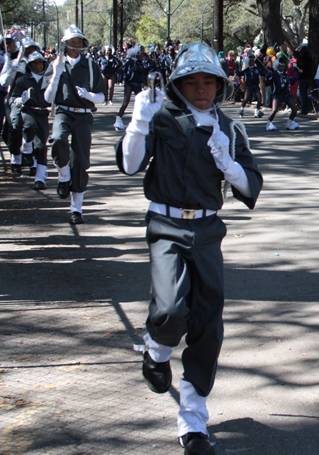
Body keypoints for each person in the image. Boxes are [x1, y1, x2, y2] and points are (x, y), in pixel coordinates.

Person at [117, 43, 262, 455]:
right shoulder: (160, 117)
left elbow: (251, 186)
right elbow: (129, 166)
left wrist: (228, 164)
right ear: (177, 85)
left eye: (209, 81)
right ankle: (157, 348)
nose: (201, 89)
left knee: (207, 323)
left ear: (220, 84)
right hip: (164, 225)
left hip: (207, 229)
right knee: (169, 309)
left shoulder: (230, 129)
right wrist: (138, 124)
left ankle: (193, 422)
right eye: (192, 82)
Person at [43, 25, 107, 224]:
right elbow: (47, 98)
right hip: (63, 112)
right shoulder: (56, 64)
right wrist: (55, 76)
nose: (76, 45)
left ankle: (76, 209)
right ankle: (63, 175)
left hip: (84, 116)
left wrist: (89, 95)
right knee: (58, 140)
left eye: (79, 41)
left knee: (80, 161)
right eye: (72, 42)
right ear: (65, 45)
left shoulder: (90, 66)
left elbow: (102, 97)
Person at [9, 51, 49, 188]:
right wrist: (21, 99)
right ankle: (26, 148)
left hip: (43, 113)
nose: (38, 65)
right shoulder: (23, 80)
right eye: (34, 63)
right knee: (29, 126)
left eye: (40, 62)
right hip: (28, 110)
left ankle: (40, 178)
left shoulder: (49, 79)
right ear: (29, 65)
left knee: (42, 146)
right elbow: (13, 99)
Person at [115, 46, 148, 131]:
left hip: (137, 84)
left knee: (140, 102)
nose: (140, 54)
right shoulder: (129, 63)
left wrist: (139, 69)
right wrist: (131, 72)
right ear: (134, 54)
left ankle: (141, 121)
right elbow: (125, 74)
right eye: (138, 53)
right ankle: (118, 120)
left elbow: (144, 71)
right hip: (129, 83)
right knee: (126, 101)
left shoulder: (140, 62)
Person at [265, 56, 300, 131]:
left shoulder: (286, 75)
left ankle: (290, 123)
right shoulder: (273, 75)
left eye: (283, 66)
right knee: (274, 110)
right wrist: (267, 76)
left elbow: (292, 82)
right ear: (277, 66)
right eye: (280, 66)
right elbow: (267, 83)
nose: (282, 67)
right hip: (277, 95)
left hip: (286, 94)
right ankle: (269, 123)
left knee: (294, 109)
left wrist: (298, 74)